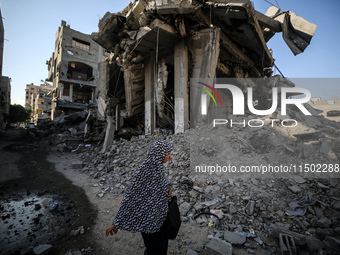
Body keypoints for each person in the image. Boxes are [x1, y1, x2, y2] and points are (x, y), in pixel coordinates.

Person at [106, 140, 173, 255]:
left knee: (160, 248)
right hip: (149, 221)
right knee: (155, 249)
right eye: (168, 153)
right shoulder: (145, 170)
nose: (170, 156)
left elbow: (154, 190)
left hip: (159, 218)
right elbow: (131, 196)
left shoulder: (157, 168)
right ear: (160, 154)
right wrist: (117, 222)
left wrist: (166, 191)